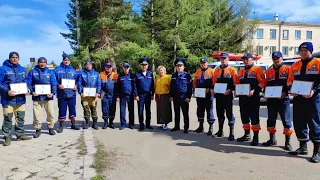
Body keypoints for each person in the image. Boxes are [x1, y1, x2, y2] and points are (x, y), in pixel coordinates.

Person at [287, 42, 320, 163]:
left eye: (305, 50)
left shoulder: (318, 63)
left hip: (313, 99)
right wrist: (291, 89)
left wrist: (314, 90)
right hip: (298, 99)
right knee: (298, 122)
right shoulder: (295, 65)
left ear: (311, 51)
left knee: (314, 124)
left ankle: (317, 151)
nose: (303, 52)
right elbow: (290, 80)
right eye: (301, 50)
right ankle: (303, 147)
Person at [0, 52, 32, 146]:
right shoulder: (3, 69)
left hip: (21, 99)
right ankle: (7, 137)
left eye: (16, 57)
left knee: (20, 118)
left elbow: (27, 81)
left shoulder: (22, 69)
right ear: (9, 58)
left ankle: (20, 134)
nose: (14, 59)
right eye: (13, 57)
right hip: (8, 99)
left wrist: (28, 89)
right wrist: (7, 91)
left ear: (18, 58)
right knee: (8, 119)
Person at [262, 51, 292, 151]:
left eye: (278, 58)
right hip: (271, 100)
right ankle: (272, 139)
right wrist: (265, 93)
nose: (276, 60)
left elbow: (291, 83)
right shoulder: (269, 71)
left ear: (282, 58)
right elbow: (266, 84)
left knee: (286, 121)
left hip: (283, 99)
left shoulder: (287, 69)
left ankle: (287, 142)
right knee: (271, 119)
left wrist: (285, 92)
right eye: (274, 58)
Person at [236, 53, 265, 146]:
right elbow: (237, 83)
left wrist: (254, 90)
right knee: (244, 117)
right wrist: (236, 90)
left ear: (251, 59)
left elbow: (262, 82)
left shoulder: (258, 70)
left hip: (253, 98)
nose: (245, 61)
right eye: (243, 59)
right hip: (243, 98)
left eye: (246, 59)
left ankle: (255, 137)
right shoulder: (240, 71)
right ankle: (246, 135)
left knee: (254, 118)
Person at [26, 57, 57, 138]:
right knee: (37, 115)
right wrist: (32, 91)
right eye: (40, 62)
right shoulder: (32, 72)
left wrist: (52, 92)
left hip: (48, 97)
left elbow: (54, 83)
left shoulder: (50, 72)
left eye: (44, 62)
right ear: (38, 63)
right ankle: (38, 129)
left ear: (46, 63)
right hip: (37, 97)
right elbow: (28, 83)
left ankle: (51, 128)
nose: (42, 64)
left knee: (50, 113)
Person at [212, 53, 238, 141]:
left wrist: (230, 90)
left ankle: (231, 133)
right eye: (221, 58)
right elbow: (214, 82)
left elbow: (235, 83)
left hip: (228, 96)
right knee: (220, 114)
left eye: (224, 58)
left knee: (229, 114)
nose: (223, 60)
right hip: (219, 96)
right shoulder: (216, 70)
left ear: (228, 59)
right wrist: (213, 89)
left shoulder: (232, 70)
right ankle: (220, 131)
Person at [54, 53, 80, 133]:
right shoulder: (57, 70)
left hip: (72, 94)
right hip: (62, 94)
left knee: (72, 109)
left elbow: (79, 81)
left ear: (70, 61)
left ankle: (73, 124)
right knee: (62, 110)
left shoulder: (73, 71)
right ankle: (61, 126)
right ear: (63, 61)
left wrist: (76, 86)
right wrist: (58, 85)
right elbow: (53, 80)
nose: (66, 61)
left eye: (68, 60)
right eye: (65, 60)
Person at [192, 58, 215, 135]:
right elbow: (194, 83)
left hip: (208, 95)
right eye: (202, 63)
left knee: (209, 111)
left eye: (204, 63)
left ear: (207, 63)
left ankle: (210, 128)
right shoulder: (197, 72)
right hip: (200, 95)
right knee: (200, 111)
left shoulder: (212, 71)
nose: (203, 64)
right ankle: (200, 127)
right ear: (200, 64)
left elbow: (215, 82)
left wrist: (210, 89)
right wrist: (195, 89)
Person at [169, 58, 192, 134]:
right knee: (176, 112)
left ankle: (186, 127)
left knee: (185, 113)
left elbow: (189, 87)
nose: (179, 67)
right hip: (175, 97)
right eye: (177, 66)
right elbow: (171, 86)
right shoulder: (173, 75)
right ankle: (176, 126)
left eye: (180, 65)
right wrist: (171, 96)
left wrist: (189, 97)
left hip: (184, 97)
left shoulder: (187, 76)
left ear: (183, 67)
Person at [78, 60, 101, 130]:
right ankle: (87, 122)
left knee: (93, 109)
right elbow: (79, 83)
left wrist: (98, 92)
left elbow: (98, 84)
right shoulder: (81, 73)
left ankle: (95, 123)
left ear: (92, 65)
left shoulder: (96, 74)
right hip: (84, 96)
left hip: (93, 95)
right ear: (85, 65)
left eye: (90, 65)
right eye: (87, 65)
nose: (88, 66)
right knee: (86, 109)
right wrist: (81, 92)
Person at [115, 62, 138, 129]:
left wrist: (136, 95)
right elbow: (117, 87)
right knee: (122, 111)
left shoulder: (132, 76)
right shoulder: (120, 76)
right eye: (125, 67)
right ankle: (123, 124)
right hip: (122, 96)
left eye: (127, 67)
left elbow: (134, 86)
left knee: (131, 111)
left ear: (129, 68)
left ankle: (131, 124)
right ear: (123, 68)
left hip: (130, 96)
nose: (126, 69)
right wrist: (117, 96)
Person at [135, 58, 155, 131]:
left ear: (147, 65)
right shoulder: (137, 75)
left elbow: (152, 85)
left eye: (145, 65)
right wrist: (136, 95)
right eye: (142, 65)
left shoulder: (150, 74)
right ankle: (141, 124)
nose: (144, 66)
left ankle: (148, 124)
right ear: (140, 66)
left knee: (148, 110)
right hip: (140, 95)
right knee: (140, 110)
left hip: (148, 95)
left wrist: (153, 94)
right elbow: (135, 86)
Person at [100, 61, 118, 129]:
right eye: (107, 67)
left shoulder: (115, 75)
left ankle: (111, 122)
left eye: (110, 67)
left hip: (113, 95)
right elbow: (99, 85)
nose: (108, 68)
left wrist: (117, 96)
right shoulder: (101, 74)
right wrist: (100, 93)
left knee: (112, 109)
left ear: (111, 68)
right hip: (104, 95)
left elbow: (117, 86)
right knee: (105, 109)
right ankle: (105, 122)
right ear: (105, 67)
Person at [155, 65, 172, 130]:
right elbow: (155, 87)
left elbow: (171, 87)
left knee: (165, 110)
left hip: (165, 96)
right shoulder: (157, 78)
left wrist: (170, 96)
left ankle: (166, 123)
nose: (160, 71)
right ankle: (162, 122)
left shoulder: (168, 78)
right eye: (159, 70)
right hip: (159, 96)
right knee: (160, 110)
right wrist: (155, 95)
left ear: (165, 71)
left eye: (162, 70)